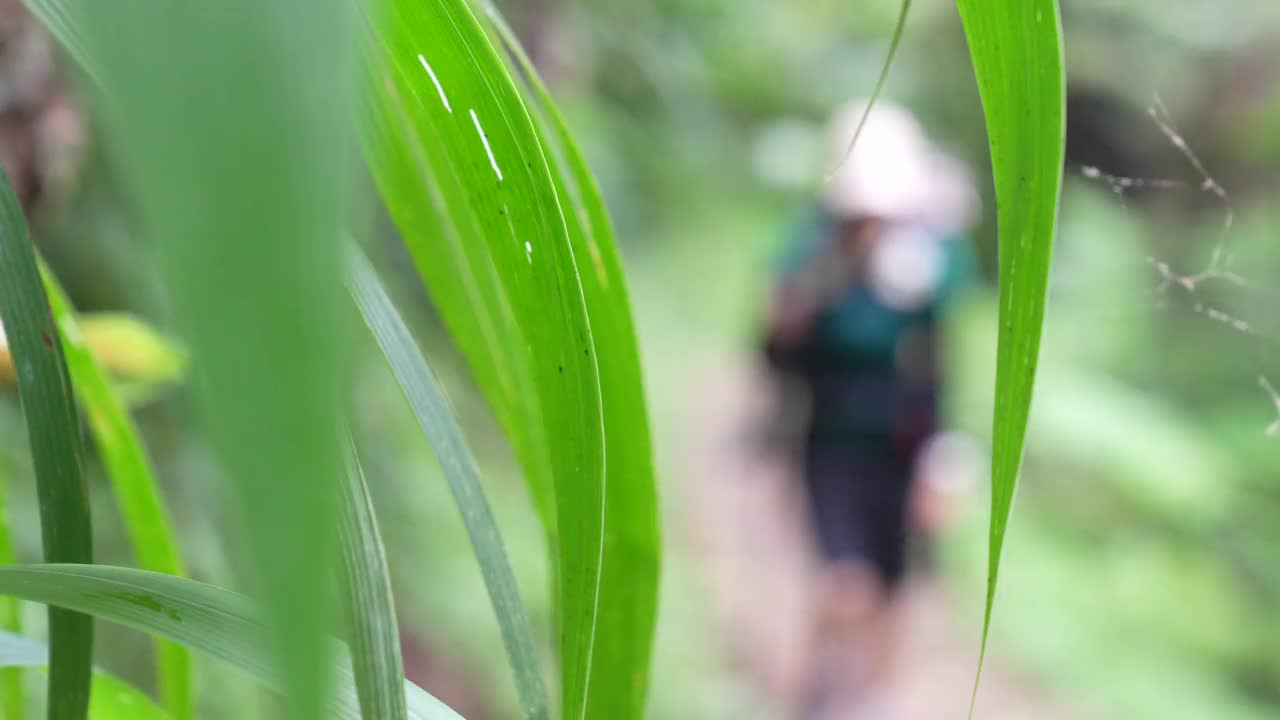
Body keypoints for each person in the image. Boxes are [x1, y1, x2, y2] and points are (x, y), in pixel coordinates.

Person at [762, 99, 977, 718]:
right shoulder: (815, 245)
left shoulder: (932, 250)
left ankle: (875, 698)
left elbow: (938, 358)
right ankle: (812, 693)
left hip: (903, 443)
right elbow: (776, 341)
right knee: (844, 584)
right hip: (831, 441)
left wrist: (943, 461)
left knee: (892, 587)